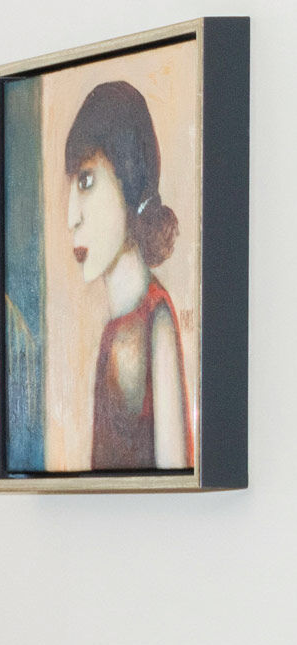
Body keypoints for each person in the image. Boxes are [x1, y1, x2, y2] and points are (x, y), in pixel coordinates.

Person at [61, 79, 194, 471]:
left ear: (129, 177)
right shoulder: (113, 332)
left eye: (86, 181)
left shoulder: (157, 321)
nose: (71, 217)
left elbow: (174, 479)